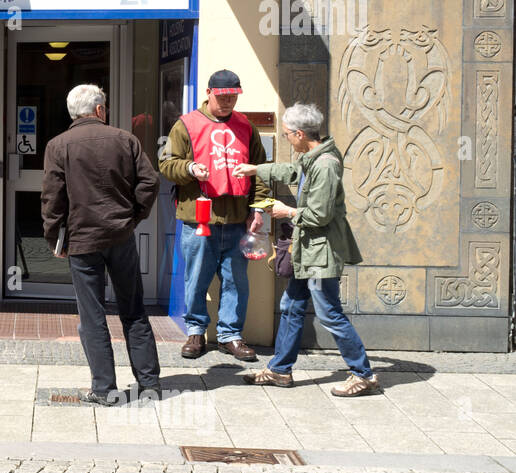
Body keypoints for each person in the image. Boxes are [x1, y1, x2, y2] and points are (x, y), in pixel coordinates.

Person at [232, 103, 379, 396]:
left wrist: (286, 211)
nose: (287, 138)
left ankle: (364, 374)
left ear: (300, 134)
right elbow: (290, 171)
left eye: (287, 135)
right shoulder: (314, 157)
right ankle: (279, 370)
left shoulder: (325, 165)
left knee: (328, 313)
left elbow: (319, 215)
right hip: (308, 251)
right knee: (291, 307)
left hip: (320, 254)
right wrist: (254, 169)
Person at [42, 84, 162, 405]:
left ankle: (104, 389)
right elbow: (150, 181)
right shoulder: (126, 140)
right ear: (99, 110)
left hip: (82, 241)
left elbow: (52, 200)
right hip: (121, 235)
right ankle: (149, 384)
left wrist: (55, 238)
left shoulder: (58, 145)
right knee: (133, 309)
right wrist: (134, 217)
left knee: (92, 315)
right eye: (104, 106)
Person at [159, 69, 268, 361]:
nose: (228, 102)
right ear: (208, 93)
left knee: (236, 281)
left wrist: (258, 209)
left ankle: (230, 335)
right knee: (195, 280)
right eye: (222, 97)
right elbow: (166, 164)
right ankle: (195, 332)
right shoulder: (185, 125)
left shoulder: (246, 126)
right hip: (199, 219)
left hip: (236, 220)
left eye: (232, 97)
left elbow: (261, 170)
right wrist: (190, 169)